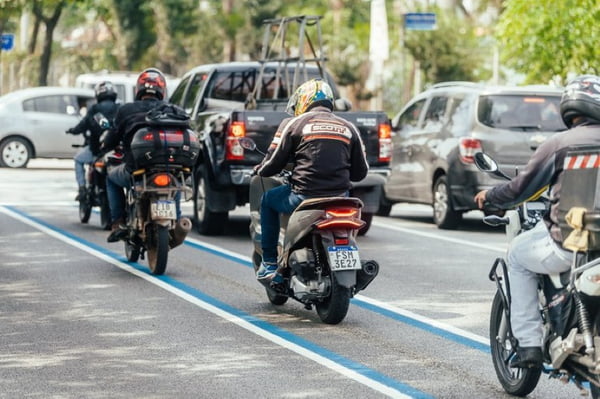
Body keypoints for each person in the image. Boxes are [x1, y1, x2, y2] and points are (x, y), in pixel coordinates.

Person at [474, 75, 600, 369]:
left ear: (570, 107)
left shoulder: (560, 144)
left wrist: (489, 196)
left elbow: (520, 189)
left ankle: (529, 344)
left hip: (572, 246)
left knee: (517, 254)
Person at [254, 78, 369, 282]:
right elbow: (361, 173)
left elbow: (273, 162)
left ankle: (270, 262)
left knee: (267, 201)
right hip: (341, 198)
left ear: (304, 100)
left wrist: (260, 170)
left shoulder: (294, 123)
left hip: (304, 196)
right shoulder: (349, 127)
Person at [101, 67, 170, 242]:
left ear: (139, 89)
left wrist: (106, 144)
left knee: (110, 177)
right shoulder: (172, 109)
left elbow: (112, 138)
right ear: (162, 89)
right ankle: (175, 217)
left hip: (136, 170)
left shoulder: (126, 110)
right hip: (169, 168)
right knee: (174, 184)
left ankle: (118, 222)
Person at [66, 81, 119, 200]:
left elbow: (83, 124)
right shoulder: (119, 108)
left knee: (78, 159)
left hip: (96, 150)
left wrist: (73, 130)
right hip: (115, 151)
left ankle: (82, 188)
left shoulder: (94, 109)